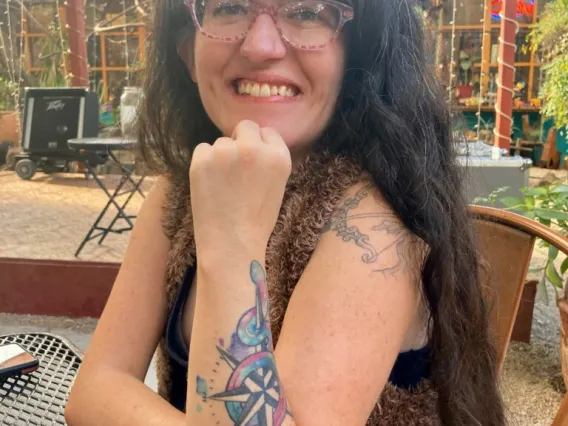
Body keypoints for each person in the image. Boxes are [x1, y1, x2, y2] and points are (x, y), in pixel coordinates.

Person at [66, 0, 506, 425]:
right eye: (230, 7)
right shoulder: (180, 192)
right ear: (187, 52)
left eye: (308, 13)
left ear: (358, 55)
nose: (261, 46)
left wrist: (231, 246)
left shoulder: (374, 225)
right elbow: (93, 390)